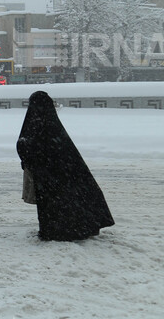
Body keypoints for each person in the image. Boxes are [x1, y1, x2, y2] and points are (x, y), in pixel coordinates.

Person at [17, 91, 115, 241]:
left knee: (51, 203)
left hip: (46, 174)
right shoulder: (53, 123)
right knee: (68, 199)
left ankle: (54, 231)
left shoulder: (34, 124)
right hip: (65, 169)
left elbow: (27, 146)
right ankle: (77, 228)